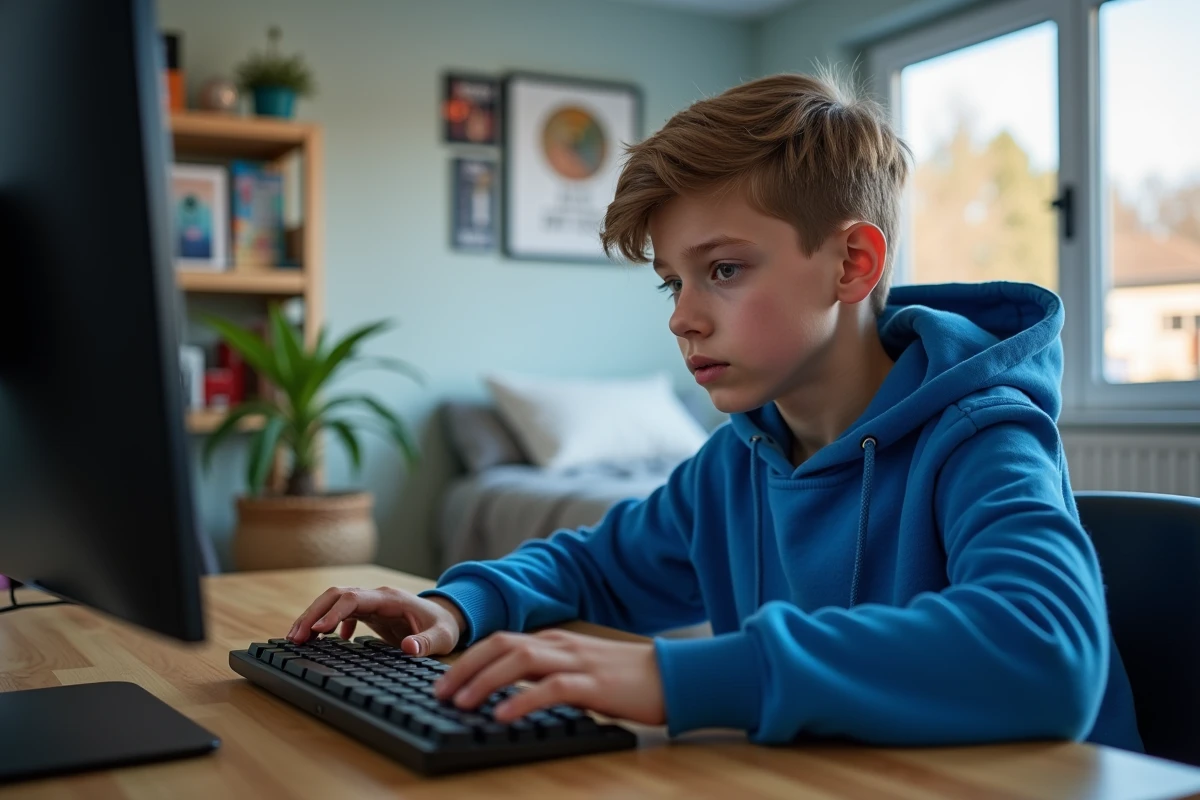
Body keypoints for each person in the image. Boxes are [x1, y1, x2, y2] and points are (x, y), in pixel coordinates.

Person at [288, 70, 1142, 750]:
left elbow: (1046, 651)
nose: (682, 316)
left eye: (724, 269)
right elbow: (593, 568)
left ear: (851, 263)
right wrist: (460, 604)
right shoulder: (741, 459)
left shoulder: (982, 435)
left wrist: (678, 679)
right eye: (673, 280)